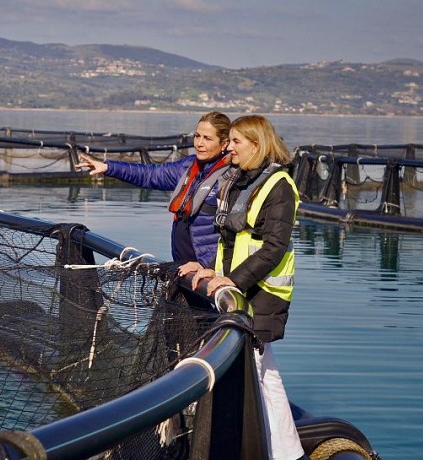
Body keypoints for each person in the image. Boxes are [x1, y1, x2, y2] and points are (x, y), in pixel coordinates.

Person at [184, 114, 305, 460]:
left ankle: (281, 451)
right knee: (264, 371)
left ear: (257, 144)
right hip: (239, 291)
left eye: (236, 142)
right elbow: (229, 242)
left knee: (261, 369)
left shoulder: (278, 186)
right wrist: (208, 270)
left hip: (263, 294)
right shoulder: (237, 180)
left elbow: (273, 247)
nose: (229, 149)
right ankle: (284, 451)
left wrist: (233, 280)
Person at [75, 111, 231, 268]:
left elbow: (232, 236)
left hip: (207, 270)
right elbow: (149, 174)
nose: (199, 143)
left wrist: (206, 266)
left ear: (224, 143)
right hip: (182, 265)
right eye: (197, 136)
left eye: (208, 138)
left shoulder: (230, 177)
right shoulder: (187, 167)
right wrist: (108, 167)